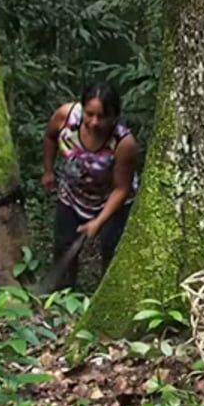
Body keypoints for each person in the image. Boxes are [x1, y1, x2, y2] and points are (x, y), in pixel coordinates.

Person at [43, 84, 139, 286]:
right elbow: (51, 137)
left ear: (115, 116)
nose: (94, 122)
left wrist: (99, 221)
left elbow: (121, 188)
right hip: (72, 194)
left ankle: (108, 295)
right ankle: (62, 296)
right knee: (64, 246)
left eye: (102, 116)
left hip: (111, 201)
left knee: (111, 247)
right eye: (90, 114)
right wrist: (48, 171)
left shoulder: (123, 143)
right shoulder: (66, 117)